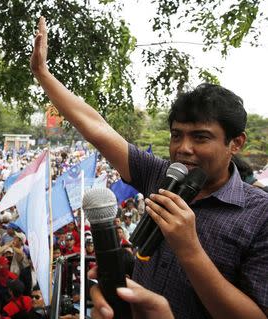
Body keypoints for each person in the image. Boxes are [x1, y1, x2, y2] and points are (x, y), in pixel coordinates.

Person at [31, 17, 268, 319]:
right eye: (177, 135)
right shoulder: (161, 176)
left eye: (200, 137)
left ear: (235, 143)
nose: (183, 148)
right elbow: (98, 128)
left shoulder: (260, 216)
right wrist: (42, 74)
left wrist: (189, 249)